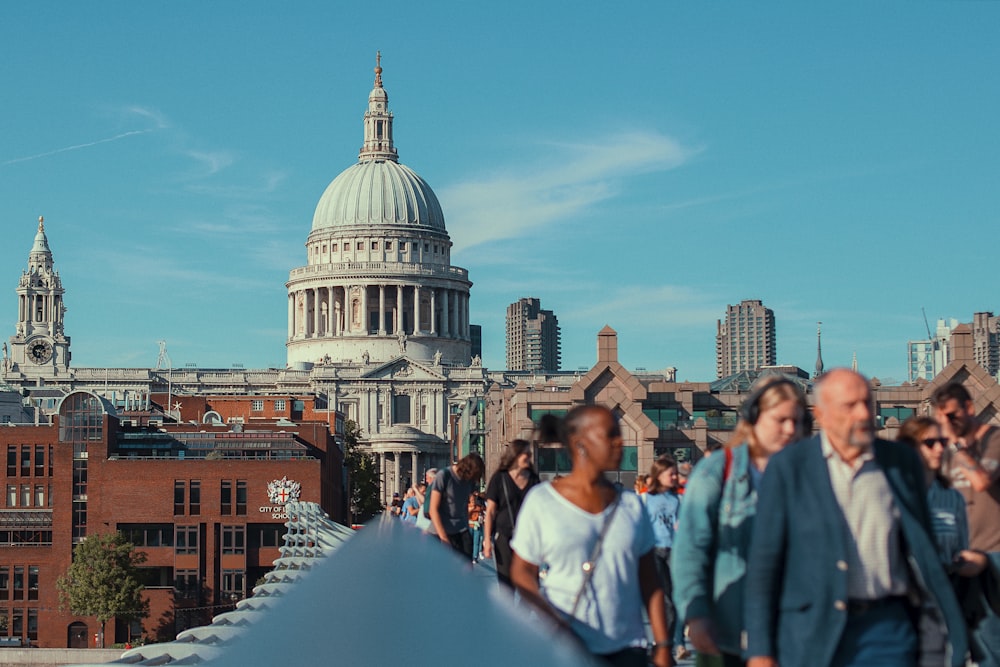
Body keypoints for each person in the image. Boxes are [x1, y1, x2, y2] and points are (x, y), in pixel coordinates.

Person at [744, 369, 967, 667]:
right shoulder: (789, 468)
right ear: (821, 415)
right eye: (850, 406)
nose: (863, 413)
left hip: (888, 630)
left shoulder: (900, 462)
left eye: (867, 403)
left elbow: (922, 550)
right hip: (812, 632)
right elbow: (764, 564)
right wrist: (760, 651)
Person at [510, 405, 673, 667]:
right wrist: (551, 617)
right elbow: (521, 571)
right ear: (580, 444)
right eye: (610, 435)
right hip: (566, 646)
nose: (620, 442)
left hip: (628, 647)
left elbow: (650, 582)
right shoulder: (542, 501)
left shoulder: (631, 505)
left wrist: (663, 645)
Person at [671, 376, 808, 667]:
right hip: (729, 632)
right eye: (780, 420)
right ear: (754, 417)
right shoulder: (717, 470)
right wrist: (695, 614)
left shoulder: (808, 474)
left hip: (795, 632)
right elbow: (689, 551)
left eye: (796, 421)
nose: (790, 429)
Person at [898, 415, 987, 667]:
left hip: (946, 604)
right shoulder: (891, 495)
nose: (939, 448)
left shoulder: (953, 499)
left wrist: (972, 562)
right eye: (930, 442)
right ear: (910, 447)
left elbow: (961, 548)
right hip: (905, 607)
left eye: (943, 441)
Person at [932, 382, 1000, 666]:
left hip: (993, 557)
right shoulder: (944, 450)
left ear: (969, 409)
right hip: (956, 557)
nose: (946, 424)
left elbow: (981, 481)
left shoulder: (994, 440)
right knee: (951, 647)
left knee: (990, 645)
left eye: (951, 415)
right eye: (940, 419)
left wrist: (958, 448)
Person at [482, 438, 540, 587]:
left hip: (528, 537)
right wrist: (487, 540)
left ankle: (523, 610)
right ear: (515, 455)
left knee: (529, 581)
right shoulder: (499, 478)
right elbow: (490, 512)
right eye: (526, 454)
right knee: (506, 583)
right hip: (504, 536)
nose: (529, 457)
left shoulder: (533, 479)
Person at [643, 455, 682, 663]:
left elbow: (680, 523)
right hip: (655, 550)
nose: (675, 477)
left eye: (676, 473)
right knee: (665, 600)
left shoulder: (676, 500)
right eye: (671, 474)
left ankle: (666, 644)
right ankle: (662, 646)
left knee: (675, 601)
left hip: (673, 549)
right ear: (659, 476)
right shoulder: (647, 499)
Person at [428, 453, 484, 559]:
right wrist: (443, 537)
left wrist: (467, 528)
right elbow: (433, 509)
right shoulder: (444, 476)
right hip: (441, 531)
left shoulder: (469, 481)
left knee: (466, 569)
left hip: (461, 531)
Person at [468, 491, 485, 562]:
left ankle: (475, 556)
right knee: (470, 541)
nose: (473, 502)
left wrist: (482, 517)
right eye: (471, 500)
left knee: (476, 541)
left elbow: (483, 511)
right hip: (470, 525)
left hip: (477, 526)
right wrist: (470, 510)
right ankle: (469, 555)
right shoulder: (467, 507)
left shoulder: (478, 507)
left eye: (474, 500)